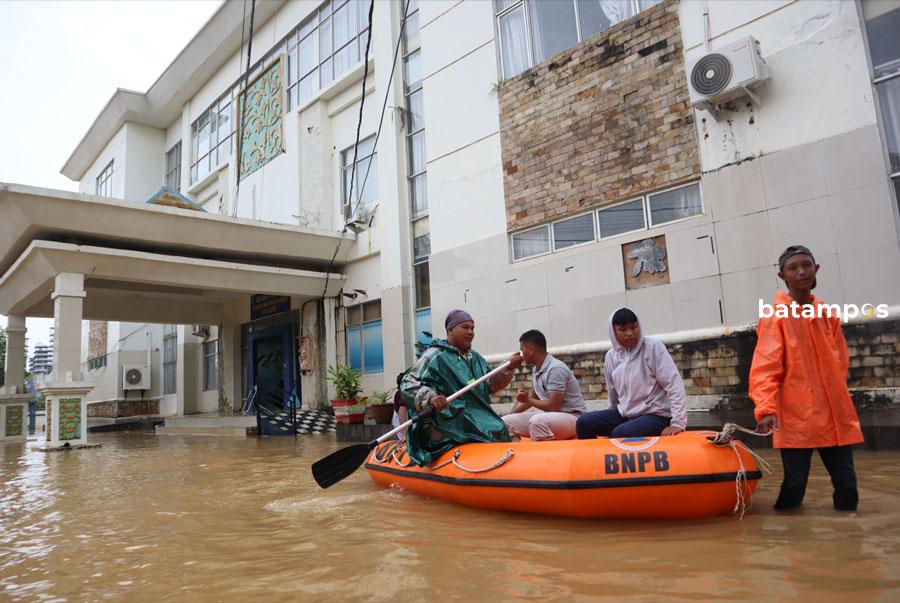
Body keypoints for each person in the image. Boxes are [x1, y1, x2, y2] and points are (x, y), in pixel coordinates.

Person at [750, 245, 864, 511]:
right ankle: (791, 541)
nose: (802, 271)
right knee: (794, 484)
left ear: (816, 269)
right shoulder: (775, 317)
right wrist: (765, 409)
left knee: (847, 485)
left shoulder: (826, 313)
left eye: (806, 265)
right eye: (794, 268)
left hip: (834, 414)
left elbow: (841, 361)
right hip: (796, 416)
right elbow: (765, 367)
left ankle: (848, 541)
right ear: (783, 276)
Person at [400, 309, 522, 465]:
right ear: (450, 330)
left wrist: (507, 367)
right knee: (492, 429)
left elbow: (489, 386)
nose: (470, 332)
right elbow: (408, 383)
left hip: (476, 414)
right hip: (448, 417)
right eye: (465, 327)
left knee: (499, 427)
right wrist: (431, 397)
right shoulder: (434, 355)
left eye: (472, 328)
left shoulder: (475, 358)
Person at [576, 308, 687, 439]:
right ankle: (593, 458)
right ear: (613, 332)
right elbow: (613, 393)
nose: (630, 333)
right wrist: (609, 417)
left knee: (621, 433)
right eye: (623, 330)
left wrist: (678, 422)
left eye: (634, 327)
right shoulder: (611, 357)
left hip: (656, 415)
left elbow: (674, 385)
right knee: (583, 422)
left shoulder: (653, 347)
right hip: (626, 414)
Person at [502, 330, 586, 441]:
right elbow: (534, 397)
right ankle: (516, 456)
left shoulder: (555, 369)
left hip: (574, 418)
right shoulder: (536, 369)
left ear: (531, 350)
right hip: (552, 418)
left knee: (537, 422)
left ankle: (548, 458)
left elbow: (553, 406)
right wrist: (512, 414)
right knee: (505, 422)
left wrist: (527, 400)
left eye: (522, 350)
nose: (521, 355)